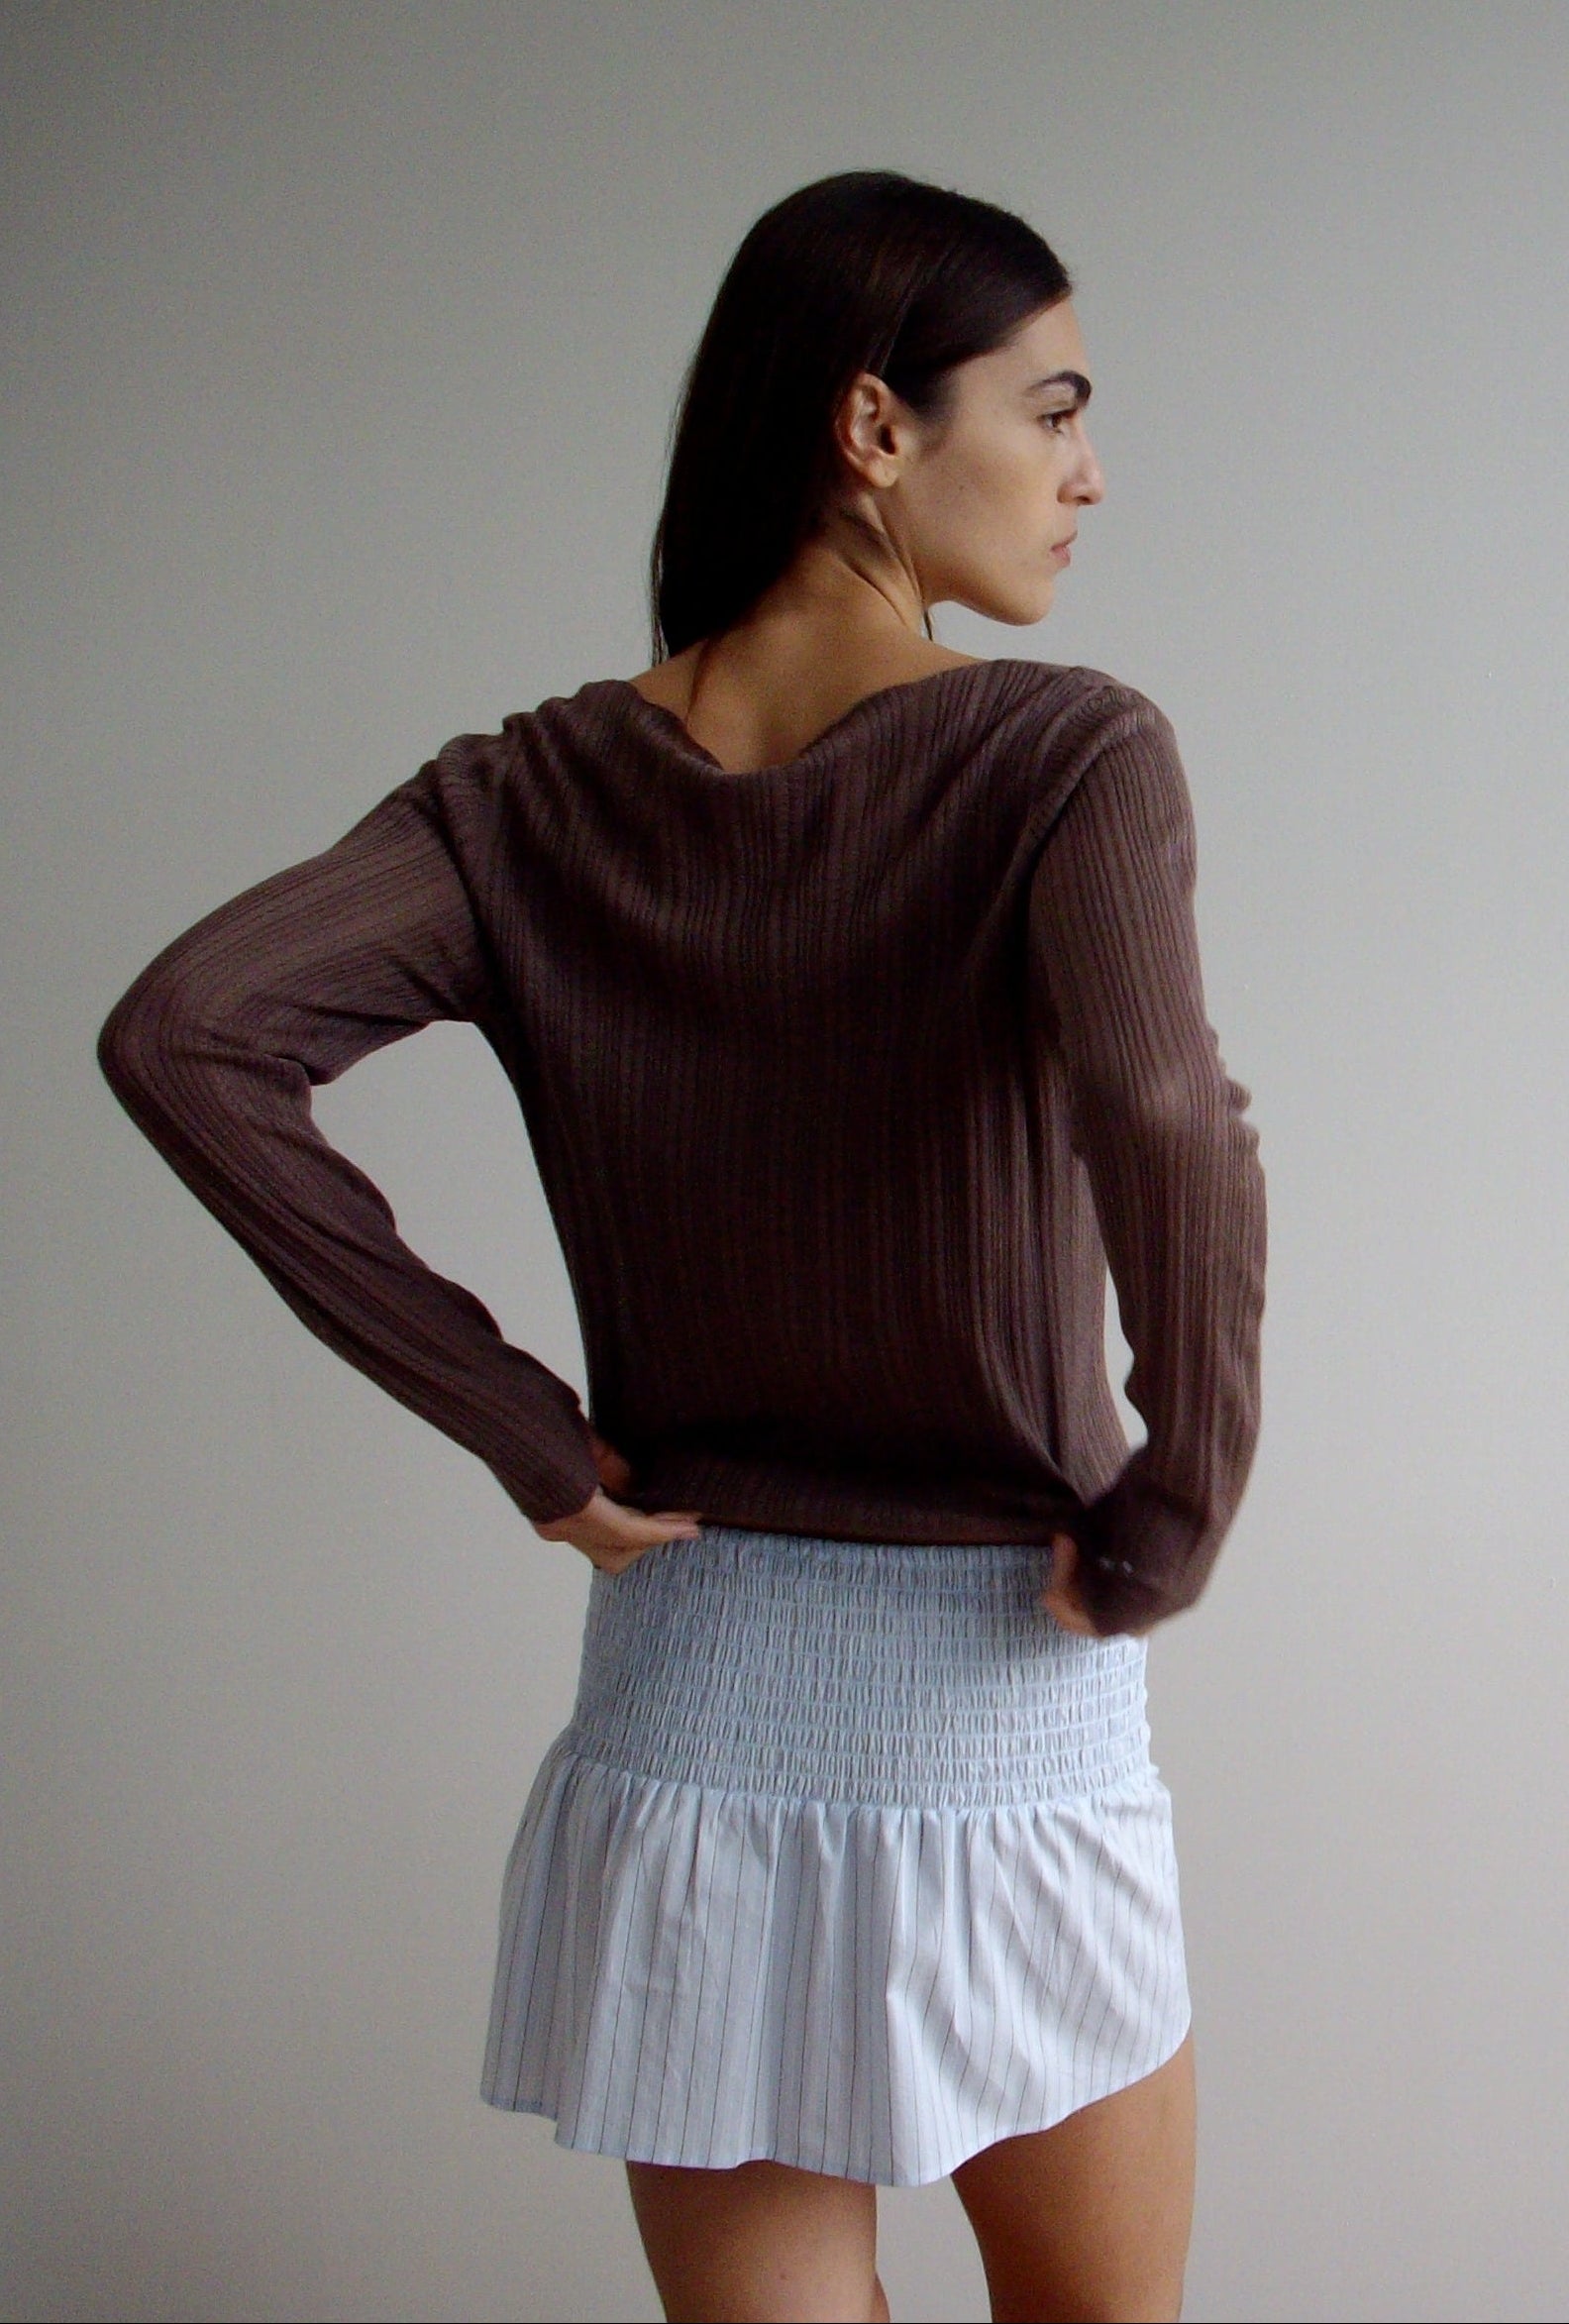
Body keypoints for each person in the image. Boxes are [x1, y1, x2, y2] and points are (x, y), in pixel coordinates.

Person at [97, 169, 1267, 2323]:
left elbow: (190, 1037)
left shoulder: (521, 798)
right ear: (871, 428)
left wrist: (528, 1435)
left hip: (690, 1718)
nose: (1093, 472)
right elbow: (1165, 1116)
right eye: (1057, 406)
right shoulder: (1062, 755)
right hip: (1002, 1710)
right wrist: (1177, 1503)